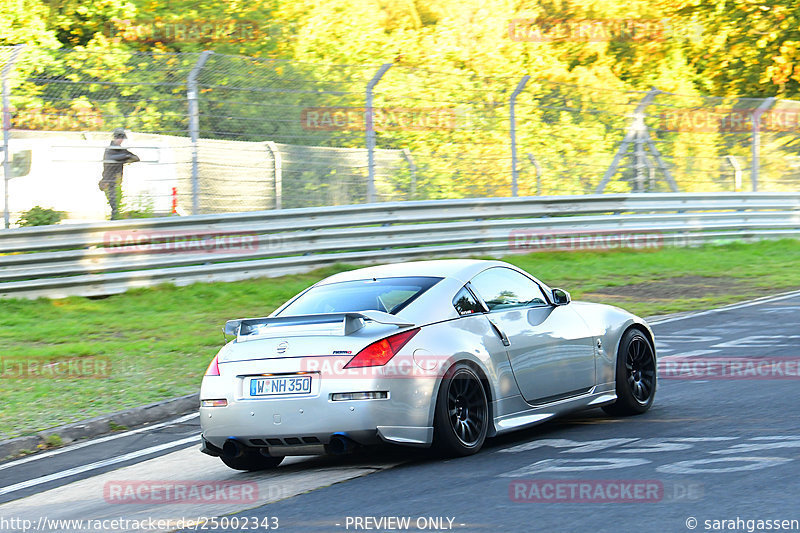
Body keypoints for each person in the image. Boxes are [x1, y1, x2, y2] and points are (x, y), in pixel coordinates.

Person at [99, 128, 139, 220]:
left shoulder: (122, 150)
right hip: (108, 181)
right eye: (118, 137)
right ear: (114, 138)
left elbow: (136, 158)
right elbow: (110, 158)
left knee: (116, 206)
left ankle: (115, 222)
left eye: (121, 138)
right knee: (114, 207)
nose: (120, 140)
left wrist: (125, 157)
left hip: (117, 182)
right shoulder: (109, 150)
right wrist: (125, 157)